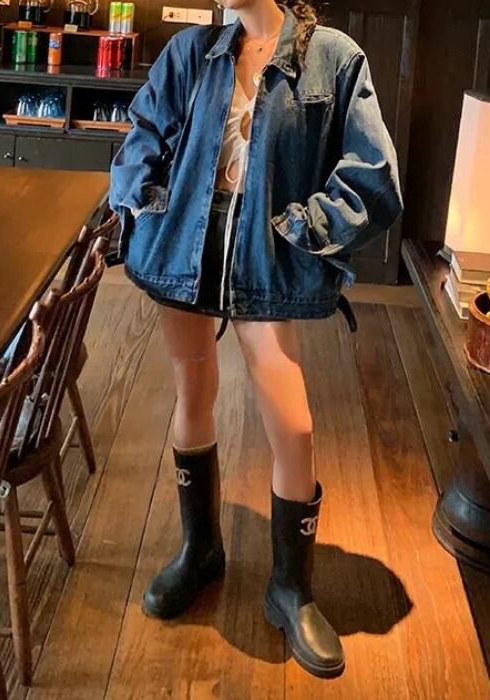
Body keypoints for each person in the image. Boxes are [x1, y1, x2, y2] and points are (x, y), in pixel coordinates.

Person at [109, 0, 402, 679]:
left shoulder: (332, 57)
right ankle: (200, 551)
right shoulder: (192, 52)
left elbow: (373, 173)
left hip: (263, 255)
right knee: (192, 395)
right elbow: (143, 132)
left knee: (293, 426)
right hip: (184, 245)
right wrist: (146, 202)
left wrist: (305, 228)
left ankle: (291, 587)